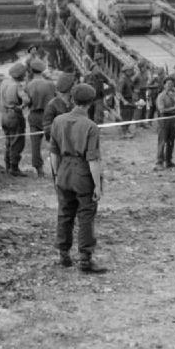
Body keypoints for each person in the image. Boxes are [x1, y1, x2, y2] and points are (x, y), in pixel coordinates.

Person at [50, 83, 106, 273]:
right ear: (90, 102)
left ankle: (63, 254)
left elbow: (53, 153)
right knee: (86, 216)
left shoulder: (58, 121)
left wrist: (56, 176)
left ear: (72, 99)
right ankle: (85, 259)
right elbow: (93, 159)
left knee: (64, 213)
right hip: (83, 173)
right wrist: (97, 186)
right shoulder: (91, 126)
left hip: (64, 170)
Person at [0, 63, 30, 176]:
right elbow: (26, 100)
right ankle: (14, 168)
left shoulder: (4, 82)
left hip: (4, 115)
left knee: (8, 140)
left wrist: (3, 103)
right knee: (17, 141)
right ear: (21, 75)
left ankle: (7, 165)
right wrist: (22, 106)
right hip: (14, 115)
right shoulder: (17, 86)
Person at [25, 59, 55, 178]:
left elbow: (27, 101)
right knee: (54, 142)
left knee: (35, 144)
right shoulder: (50, 84)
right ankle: (55, 167)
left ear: (32, 70)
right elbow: (55, 99)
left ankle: (39, 169)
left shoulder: (29, 85)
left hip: (34, 115)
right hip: (48, 115)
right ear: (42, 70)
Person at [43, 72, 75, 179]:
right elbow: (47, 129)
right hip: (59, 147)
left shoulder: (73, 104)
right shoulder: (52, 105)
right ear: (70, 89)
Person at [155, 76, 175, 170]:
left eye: (172, 84)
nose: (170, 86)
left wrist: (174, 98)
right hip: (164, 120)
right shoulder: (161, 96)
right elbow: (162, 110)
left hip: (173, 120)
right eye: (168, 84)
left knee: (171, 142)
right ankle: (159, 162)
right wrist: (174, 108)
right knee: (162, 142)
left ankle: (168, 161)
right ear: (164, 85)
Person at [117, 65, 137, 138]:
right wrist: (124, 101)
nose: (131, 71)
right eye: (130, 70)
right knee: (125, 116)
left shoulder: (129, 79)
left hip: (130, 99)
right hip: (125, 100)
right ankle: (124, 132)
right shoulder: (122, 80)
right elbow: (119, 92)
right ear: (126, 71)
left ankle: (126, 129)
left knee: (130, 116)